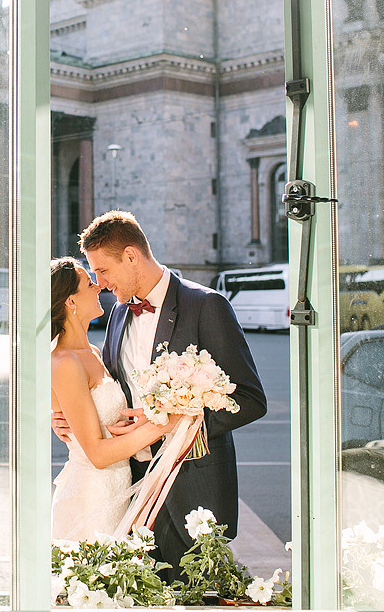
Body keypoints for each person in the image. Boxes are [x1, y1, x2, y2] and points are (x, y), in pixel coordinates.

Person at [56, 210, 267, 578]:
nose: (101, 284)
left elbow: (250, 399)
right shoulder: (119, 315)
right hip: (129, 489)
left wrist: (179, 424)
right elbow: (112, 391)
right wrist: (68, 418)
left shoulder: (206, 306)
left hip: (195, 485)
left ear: (132, 256)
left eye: (103, 271)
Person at [49, 257, 177, 541]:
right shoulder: (65, 362)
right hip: (93, 496)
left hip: (119, 487)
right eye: (89, 283)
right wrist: (165, 423)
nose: (99, 288)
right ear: (70, 302)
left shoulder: (92, 353)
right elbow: (97, 454)